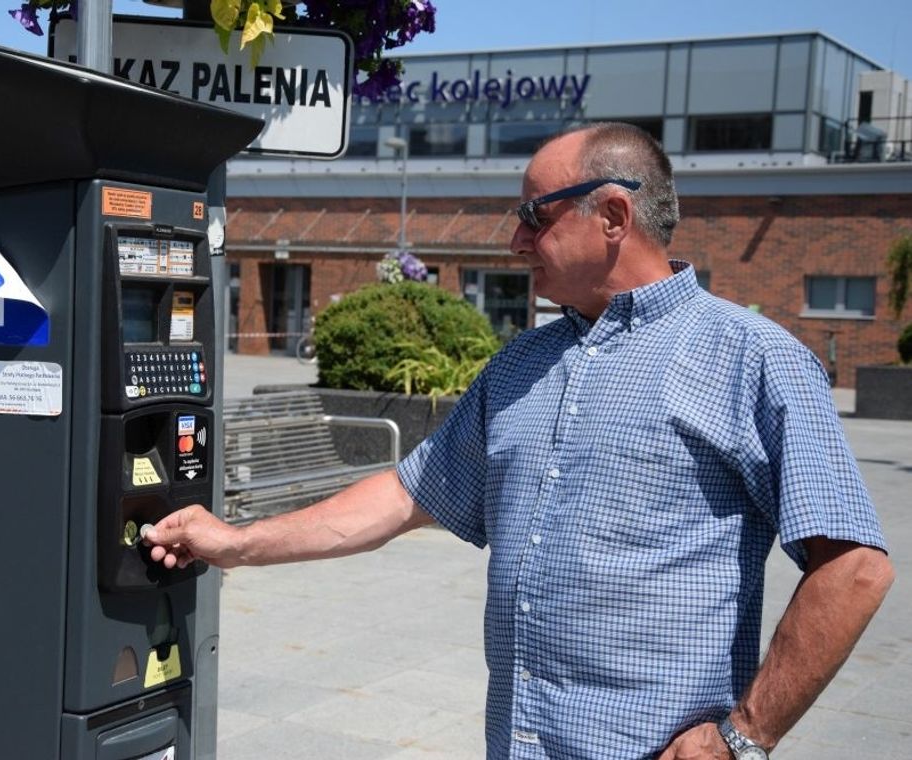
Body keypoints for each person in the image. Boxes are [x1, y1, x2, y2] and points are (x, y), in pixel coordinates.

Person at [142, 122, 893, 759]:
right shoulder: (522, 365)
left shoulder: (753, 359)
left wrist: (742, 736)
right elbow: (405, 495)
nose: (516, 239)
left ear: (612, 216)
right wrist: (235, 543)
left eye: (535, 215)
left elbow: (854, 568)